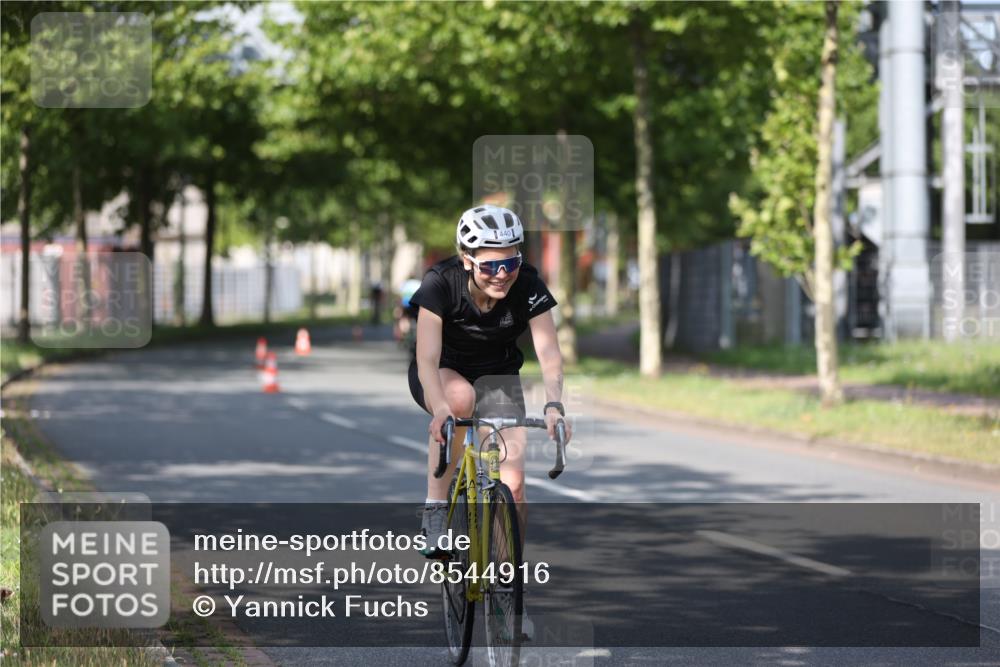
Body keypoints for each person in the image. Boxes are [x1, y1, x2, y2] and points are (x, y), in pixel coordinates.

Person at [408, 204, 572, 556]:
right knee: (461, 398)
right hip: (443, 373)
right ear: (466, 259)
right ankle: (435, 510)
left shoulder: (526, 283)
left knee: (512, 488)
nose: (501, 274)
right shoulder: (440, 283)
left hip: (497, 375)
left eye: (509, 263)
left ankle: (506, 594)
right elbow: (426, 357)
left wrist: (554, 405)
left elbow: (549, 353)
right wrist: (439, 408)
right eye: (489, 266)